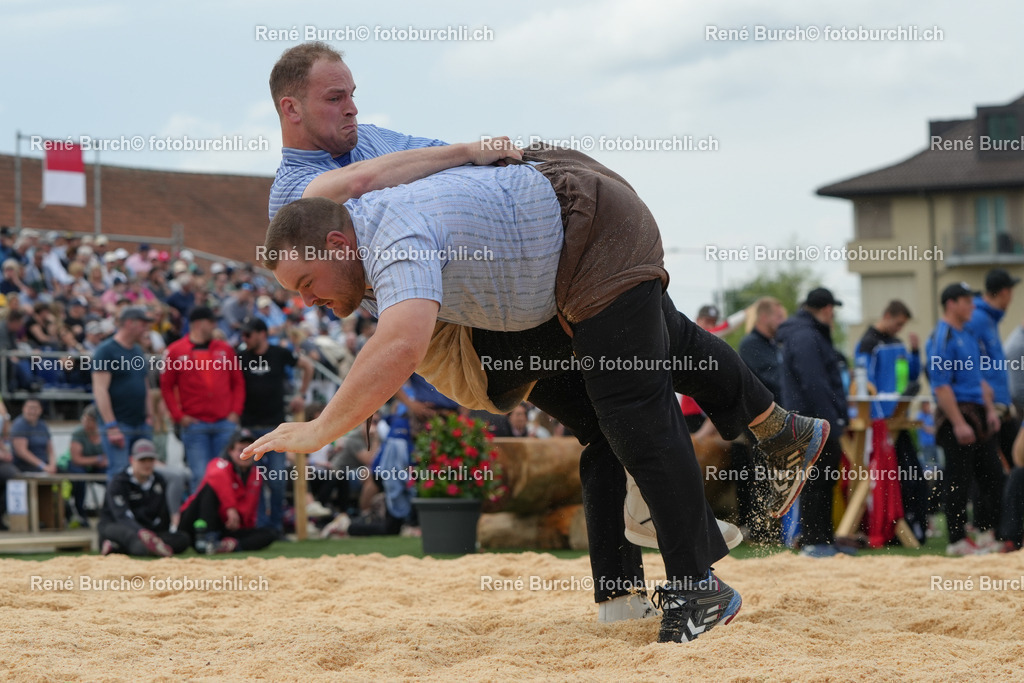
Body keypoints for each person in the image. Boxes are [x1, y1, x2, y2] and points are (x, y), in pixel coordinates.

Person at [245, 145, 830, 643]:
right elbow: (370, 173)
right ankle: (775, 439)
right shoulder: (353, 201)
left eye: (306, 284)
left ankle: (696, 586)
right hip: (548, 260)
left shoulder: (393, 234)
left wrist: (320, 429)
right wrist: (471, 151)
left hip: (589, 226)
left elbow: (399, 343)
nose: (305, 302)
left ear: (336, 242)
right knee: (633, 384)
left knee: (629, 405)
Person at [268, 41, 446, 219]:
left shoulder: (371, 136)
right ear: (291, 109)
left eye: (351, 95)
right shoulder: (286, 191)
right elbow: (358, 184)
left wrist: (468, 154)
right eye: (335, 99)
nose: (352, 109)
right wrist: (465, 150)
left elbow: (448, 155)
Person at [925, 282, 1006, 556]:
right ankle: (957, 540)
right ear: (951, 304)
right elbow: (941, 385)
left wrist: (990, 410)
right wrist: (958, 422)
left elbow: (979, 378)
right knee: (958, 478)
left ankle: (985, 532)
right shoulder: (942, 337)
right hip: (956, 412)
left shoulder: (969, 333)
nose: (973, 306)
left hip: (978, 410)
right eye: (967, 301)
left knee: (992, 475)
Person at [776, 287, 849, 557]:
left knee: (821, 480)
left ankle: (822, 539)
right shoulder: (807, 336)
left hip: (806, 419)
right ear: (827, 308)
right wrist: (831, 421)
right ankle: (814, 541)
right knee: (818, 480)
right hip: (815, 422)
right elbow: (815, 383)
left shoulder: (800, 334)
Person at [855, 299, 927, 543]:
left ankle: (914, 523)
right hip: (879, 423)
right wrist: (878, 416)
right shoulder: (868, 343)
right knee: (885, 479)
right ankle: (887, 529)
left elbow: (911, 375)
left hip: (898, 419)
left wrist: (915, 353)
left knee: (912, 474)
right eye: (898, 323)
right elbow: (866, 385)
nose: (900, 329)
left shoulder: (897, 343)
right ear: (887, 315)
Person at [238, 317, 313, 533]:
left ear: (262, 334)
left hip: (275, 427)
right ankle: (262, 526)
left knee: (278, 479)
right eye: (243, 335)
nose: (245, 339)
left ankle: (276, 526)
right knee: (256, 481)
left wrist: (302, 394)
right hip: (249, 427)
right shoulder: (241, 356)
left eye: (248, 335)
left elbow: (307, 366)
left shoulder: (279, 353)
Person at [160, 305, 245, 492]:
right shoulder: (175, 351)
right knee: (200, 475)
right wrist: (178, 416)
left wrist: (235, 412)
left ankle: (223, 518)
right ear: (198, 324)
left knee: (226, 474)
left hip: (224, 423)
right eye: (211, 321)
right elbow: (166, 387)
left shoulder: (225, 349)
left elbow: (238, 382)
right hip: (195, 424)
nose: (215, 325)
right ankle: (201, 520)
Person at [179, 429, 276, 553]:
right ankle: (208, 537)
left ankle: (228, 545)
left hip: (229, 525)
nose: (246, 455)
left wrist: (244, 528)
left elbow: (251, 507)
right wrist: (230, 507)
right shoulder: (219, 464)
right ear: (230, 451)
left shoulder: (256, 474)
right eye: (241, 450)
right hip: (199, 520)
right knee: (210, 488)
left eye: (251, 451)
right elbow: (217, 475)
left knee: (269, 534)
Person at [965, 269, 1021, 470]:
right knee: (992, 469)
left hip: (1001, 405)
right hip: (990, 405)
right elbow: (969, 361)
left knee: (1013, 462)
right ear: (1005, 292)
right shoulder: (978, 319)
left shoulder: (990, 318)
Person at [98, 439, 191, 557]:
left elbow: (161, 514)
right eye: (142, 460)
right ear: (132, 460)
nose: (147, 464)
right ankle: (129, 545)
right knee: (135, 543)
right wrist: (142, 532)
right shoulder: (118, 483)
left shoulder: (159, 481)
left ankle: (117, 547)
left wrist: (154, 535)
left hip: (147, 529)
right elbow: (121, 516)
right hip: (120, 526)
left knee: (183, 539)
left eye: (150, 460)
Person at [64, 405, 108, 523]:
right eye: (84, 418)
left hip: (96, 467)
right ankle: (80, 513)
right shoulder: (78, 433)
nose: (85, 422)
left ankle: (108, 512)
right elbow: (76, 459)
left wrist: (103, 461)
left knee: (113, 478)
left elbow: (109, 458)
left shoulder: (105, 433)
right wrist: (98, 459)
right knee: (79, 478)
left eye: (90, 420)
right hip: (78, 466)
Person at [10, 398, 55, 474]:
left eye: (36, 408)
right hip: (26, 465)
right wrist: (43, 466)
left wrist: (52, 465)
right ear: (23, 408)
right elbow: (21, 452)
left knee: (66, 472)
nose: (32, 411)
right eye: (30, 408)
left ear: (41, 410)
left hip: (45, 463)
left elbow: (50, 450)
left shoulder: (42, 425)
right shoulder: (19, 425)